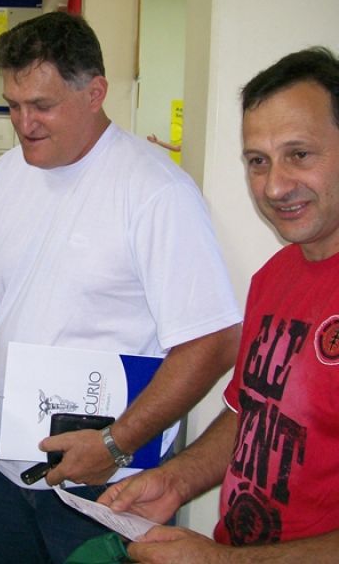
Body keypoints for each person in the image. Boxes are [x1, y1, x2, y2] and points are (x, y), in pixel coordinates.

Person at [0, 11, 242, 563]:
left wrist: (116, 443)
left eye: (42, 106)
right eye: (13, 105)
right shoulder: (7, 175)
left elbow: (214, 340)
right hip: (10, 468)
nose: (23, 122)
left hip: (114, 482)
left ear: (95, 93)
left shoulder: (155, 191)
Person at [98, 47, 339, 562]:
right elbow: (249, 412)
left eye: (299, 154)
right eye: (258, 161)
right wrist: (175, 480)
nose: (275, 186)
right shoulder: (275, 276)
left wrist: (223, 562)